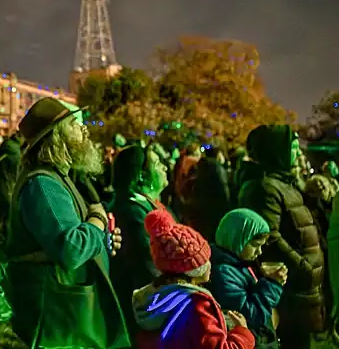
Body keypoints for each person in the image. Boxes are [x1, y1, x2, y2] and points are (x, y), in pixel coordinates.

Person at [5, 97, 128, 349]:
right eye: (73, 124)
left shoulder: (58, 177)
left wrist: (102, 243)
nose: (83, 129)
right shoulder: (43, 184)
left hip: (67, 310)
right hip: (56, 316)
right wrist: (97, 220)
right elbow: (71, 249)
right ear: (56, 137)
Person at [239, 125, 325, 347]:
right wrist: (303, 266)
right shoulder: (266, 189)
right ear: (277, 151)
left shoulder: (285, 184)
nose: (298, 154)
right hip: (288, 290)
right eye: (293, 148)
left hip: (301, 289)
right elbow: (269, 237)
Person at [132, 209, 255, 348]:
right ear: (192, 269)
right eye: (205, 260)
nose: (210, 264)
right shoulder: (197, 305)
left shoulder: (156, 295)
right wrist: (243, 333)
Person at [109, 144, 172, 336]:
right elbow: (148, 266)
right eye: (157, 163)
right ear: (141, 175)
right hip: (145, 311)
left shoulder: (147, 205)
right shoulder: (133, 213)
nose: (165, 167)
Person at [208, 209, 284, 348]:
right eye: (255, 245)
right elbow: (250, 316)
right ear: (237, 238)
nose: (259, 252)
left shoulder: (239, 264)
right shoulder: (223, 273)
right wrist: (272, 284)